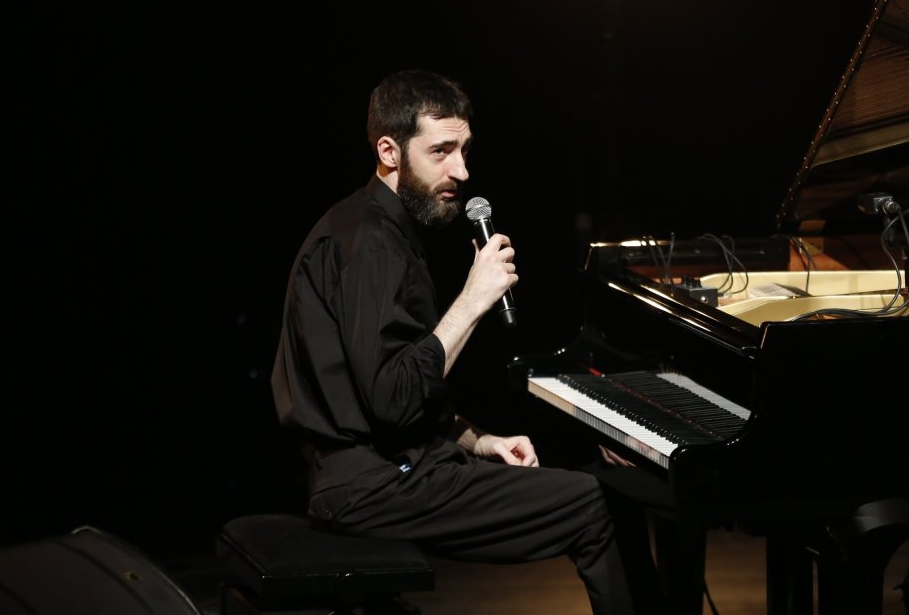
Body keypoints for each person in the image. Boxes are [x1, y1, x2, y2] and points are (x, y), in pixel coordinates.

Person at [271, 69, 636, 615]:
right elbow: (392, 399)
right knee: (593, 501)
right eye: (441, 151)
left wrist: (478, 441)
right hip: (373, 486)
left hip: (395, 468)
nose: (461, 171)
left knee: (594, 490)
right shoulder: (369, 245)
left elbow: (394, 387)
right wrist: (472, 299)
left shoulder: (381, 230)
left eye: (464, 150)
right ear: (389, 151)